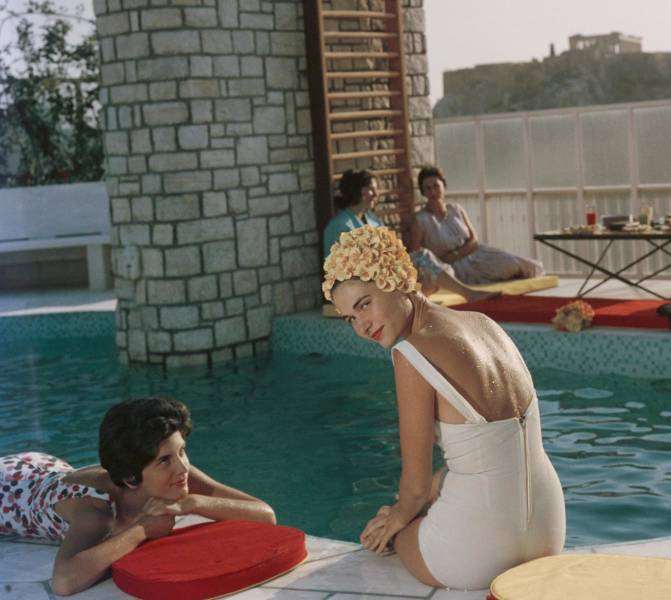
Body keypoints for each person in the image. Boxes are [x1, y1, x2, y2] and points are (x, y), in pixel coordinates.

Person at [324, 226, 565, 590]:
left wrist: (395, 519)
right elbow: (491, 446)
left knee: (399, 533)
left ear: (394, 279)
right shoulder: (485, 325)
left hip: (479, 551)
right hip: (549, 529)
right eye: (350, 318)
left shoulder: (410, 353)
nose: (361, 326)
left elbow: (416, 486)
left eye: (364, 305)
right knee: (442, 487)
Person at [0, 398, 275, 596]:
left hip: (40, 466)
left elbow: (265, 514)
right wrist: (141, 529)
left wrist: (195, 503)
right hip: (7, 490)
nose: (182, 467)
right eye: (164, 461)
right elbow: (64, 580)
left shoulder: (179, 473)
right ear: (131, 478)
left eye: (182, 451)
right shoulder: (95, 512)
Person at [324, 169, 497, 303]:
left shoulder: (372, 219)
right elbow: (342, 270)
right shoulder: (340, 226)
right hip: (359, 284)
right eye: (371, 190)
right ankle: (469, 294)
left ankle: (422, 298)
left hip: (382, 274)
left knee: (427, 270)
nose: (376, 194)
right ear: (359, 192)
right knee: (423, 261)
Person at [413, 166, 545, 284]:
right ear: (423, 193)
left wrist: (457, 254)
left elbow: (474, 239)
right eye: (428, 189)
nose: (433, 192)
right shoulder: (421, 219)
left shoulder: (456, 209)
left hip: (477, 254)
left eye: (436, 186)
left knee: (519, 264)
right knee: (493, 274)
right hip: (452, 266)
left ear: (444, 186)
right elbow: (417, 253)